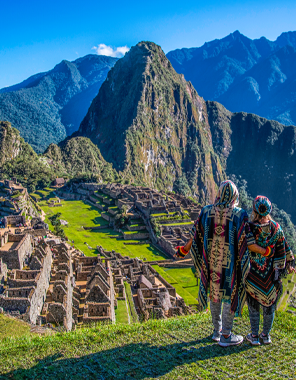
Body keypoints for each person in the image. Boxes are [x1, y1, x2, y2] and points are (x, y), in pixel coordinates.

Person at [175, 180, 268, 347]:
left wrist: (183, 250)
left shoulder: (205, 211)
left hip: (211, 262)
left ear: (218, 194)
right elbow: (248, 240)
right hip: (230, 265)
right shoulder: (239, 215)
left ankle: (217, 332)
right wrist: (266, 251)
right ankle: (226, 335)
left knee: (214, 293)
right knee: (229, 294)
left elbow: (194, 235)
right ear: (235, 196)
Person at [245, 196, 295, 345]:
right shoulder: (276, 228)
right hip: (272, 275)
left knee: (254, 306)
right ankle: (266, 335)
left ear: (255, 209)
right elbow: (285, 247)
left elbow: (244, 245)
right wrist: (290, 263)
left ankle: (254, 336)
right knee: (269, 306)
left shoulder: (249, 227)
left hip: (253, 274)